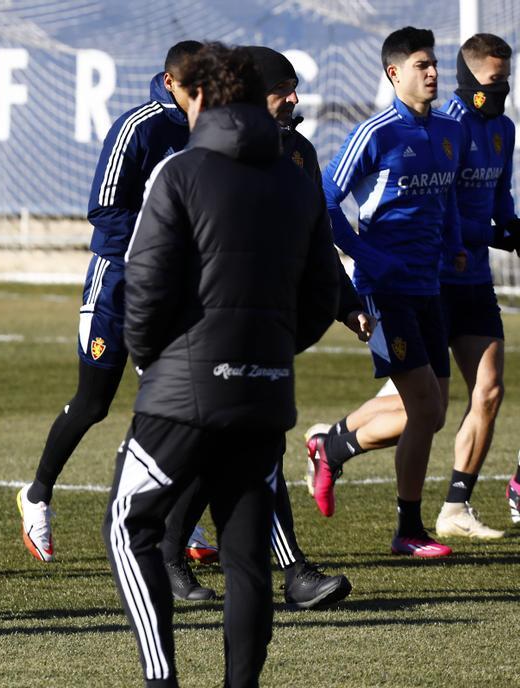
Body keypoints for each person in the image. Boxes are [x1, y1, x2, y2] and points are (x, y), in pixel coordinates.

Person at [102, 43, 341, 687]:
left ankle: (163, 680)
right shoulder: (297, 177)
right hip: (264, 395)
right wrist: (269, 350)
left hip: (183, 391)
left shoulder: (179, 172)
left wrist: (159, 362)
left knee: (128, 528)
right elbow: (325, 293)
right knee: (246, 556)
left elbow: (144, 287)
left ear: (205, 97)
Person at [160, 46, 359, 610]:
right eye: (283, 88)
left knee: (234, 446)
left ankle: (168, 556)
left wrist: (344, 305)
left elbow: (319, 242)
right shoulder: (207, 153)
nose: (294, 99)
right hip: (208, 328)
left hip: (271, 328)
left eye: (296, 88)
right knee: (242, 445)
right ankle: (288, 572)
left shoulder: (299, 153)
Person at [15, 41, 221, 570]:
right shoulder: (140, 126)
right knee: (94, 403)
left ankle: (175, 514)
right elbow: (104, 209)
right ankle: (37, 494)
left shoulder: (213, 130)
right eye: (194, 84)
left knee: (180, 404)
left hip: (178, 293)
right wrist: (160, 247)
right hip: (119, 285)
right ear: (171, 82)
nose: (204, 94)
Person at [306, 33, 517, 540]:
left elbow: (450, 201)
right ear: (394, 74)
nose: (433, 73)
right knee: (424, 406)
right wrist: (364, 253)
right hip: (388, 286)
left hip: (439, 285)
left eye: (435, 64)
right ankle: (406, 524)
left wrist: (467, 242)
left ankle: (343, 454)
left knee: (447, 406)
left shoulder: (451, 132)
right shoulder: (376, 132)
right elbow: (325, 199)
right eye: (422, 65)